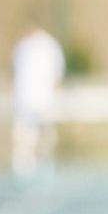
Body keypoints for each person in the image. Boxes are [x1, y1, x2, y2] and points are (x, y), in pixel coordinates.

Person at [10, 25, 65, 183]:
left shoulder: (43, 46)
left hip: (35, 98)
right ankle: (27, 164)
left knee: (40, 134)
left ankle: (36, 163)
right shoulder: (27, 46)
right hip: (32, 98)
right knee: (28, 134)